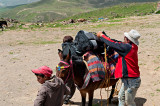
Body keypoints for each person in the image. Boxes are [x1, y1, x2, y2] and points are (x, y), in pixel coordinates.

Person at [97, 29, 141, 106]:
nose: (123, 38)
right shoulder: (132, 46)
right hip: (129, 79)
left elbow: (113, 44)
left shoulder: (126, 48)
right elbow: (117, 43)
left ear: (127, 40)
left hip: (131, 81)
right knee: (121, 97)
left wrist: (102, 36)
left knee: (129, 102)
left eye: (125, 37)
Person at [61, 36, 76, 104]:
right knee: (69, 87)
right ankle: (62, 101)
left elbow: (60, 64)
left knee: (71, 86)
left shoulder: (63, 49)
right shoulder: (71, 49)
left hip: (62, 70)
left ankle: (66, 100)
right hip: (69, 72)